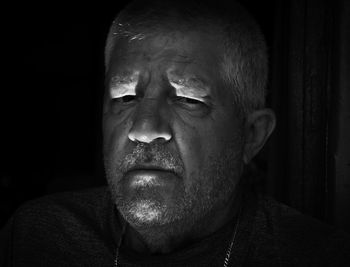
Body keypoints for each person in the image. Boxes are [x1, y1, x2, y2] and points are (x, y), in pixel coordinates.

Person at [1, 0, 349, 266]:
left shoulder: (313, 255)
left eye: (187, 98)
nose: (143, 129)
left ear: (252, 134)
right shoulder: (38, 238)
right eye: (124, 97)